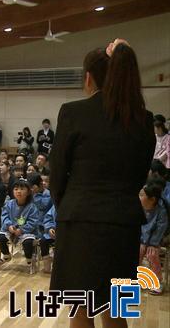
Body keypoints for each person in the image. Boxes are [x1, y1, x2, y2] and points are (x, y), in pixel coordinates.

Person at [49, 42, 156, 327]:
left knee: (81, 309)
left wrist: (71, 206)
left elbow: (57, 175)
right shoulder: (143, 120)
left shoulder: (73, 112)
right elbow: (139, 175)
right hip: (123, 224)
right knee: (116, 311)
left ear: (88, 78)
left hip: (80, 221)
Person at [0, 179, 40, 266]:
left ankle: (30, 257)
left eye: (22, 189)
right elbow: (4, 216)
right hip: (11, 229)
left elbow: (33, 221)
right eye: (16, 189)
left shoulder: (32, 207)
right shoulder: (9, 204)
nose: (18, 191)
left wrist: (22, 230)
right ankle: (6, 254)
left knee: (28, 242)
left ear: (28, 192)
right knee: (1, 238)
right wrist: (9, 226)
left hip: (27, 232)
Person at [40, 205, 57, 273]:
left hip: (66, 234)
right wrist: (50, 228)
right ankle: (46, 263)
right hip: (53, 232)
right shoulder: (55, 206)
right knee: (43, 241)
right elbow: (48, 218)